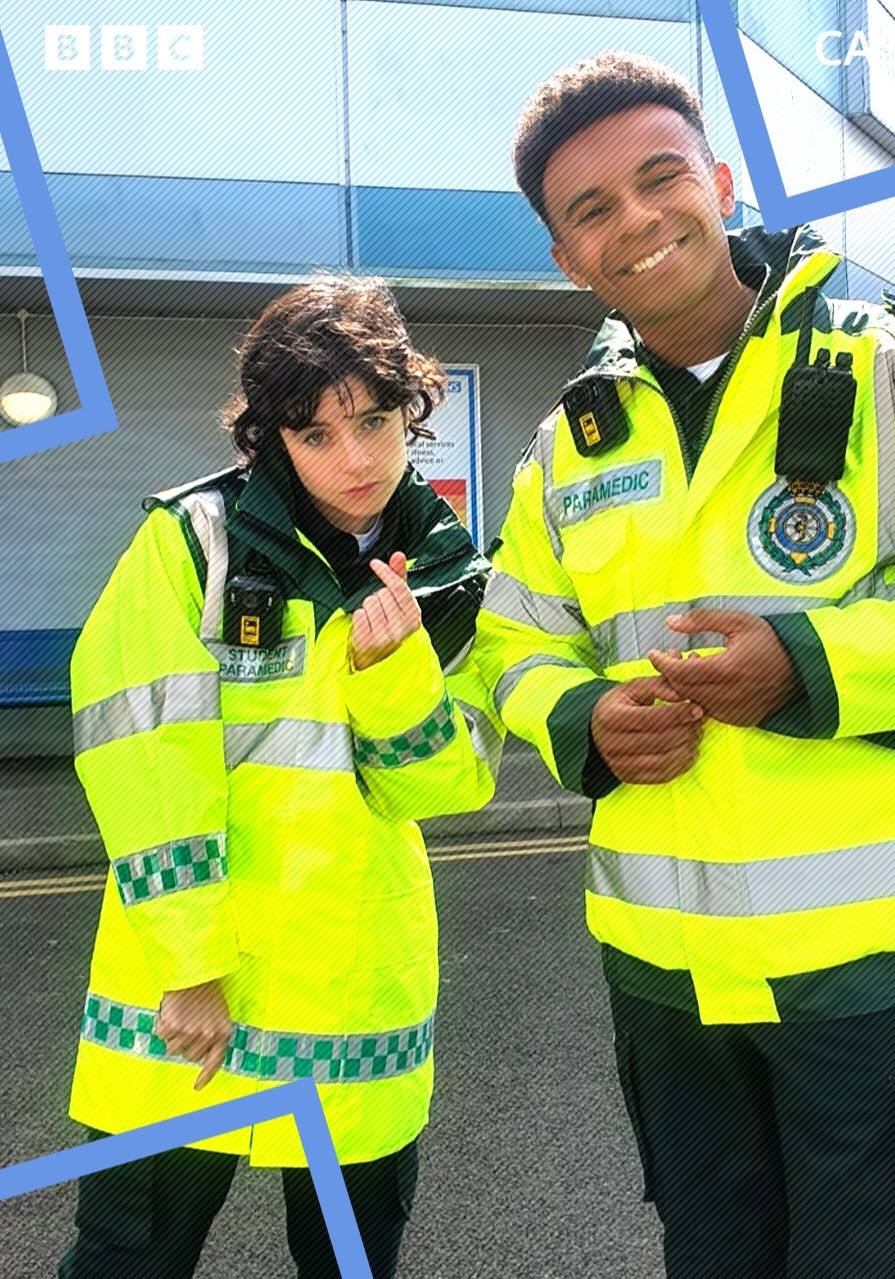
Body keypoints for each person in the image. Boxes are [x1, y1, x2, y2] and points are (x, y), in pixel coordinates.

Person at [474, 51, 895, 1279]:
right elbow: (511, 638)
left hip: (861, 969)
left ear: (717, 180)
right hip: (664, 974)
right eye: (590, 211)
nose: (637, 223)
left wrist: (807, 664)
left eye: (661, 180)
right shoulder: (570, 440)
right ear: (567, 259)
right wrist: (586, 713)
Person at [59, 274, 502, 1278]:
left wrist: (391, 686)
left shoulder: (450, 572)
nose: (357, 460)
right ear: (269, 437)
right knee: (128, 1258)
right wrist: (192, 962)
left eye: (378, 422)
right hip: (186, 992)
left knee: (351, 1258)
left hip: (352, 987)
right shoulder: (190, 543)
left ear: (413, 413)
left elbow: (453, 785)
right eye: (316, 434)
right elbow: (143, 762)